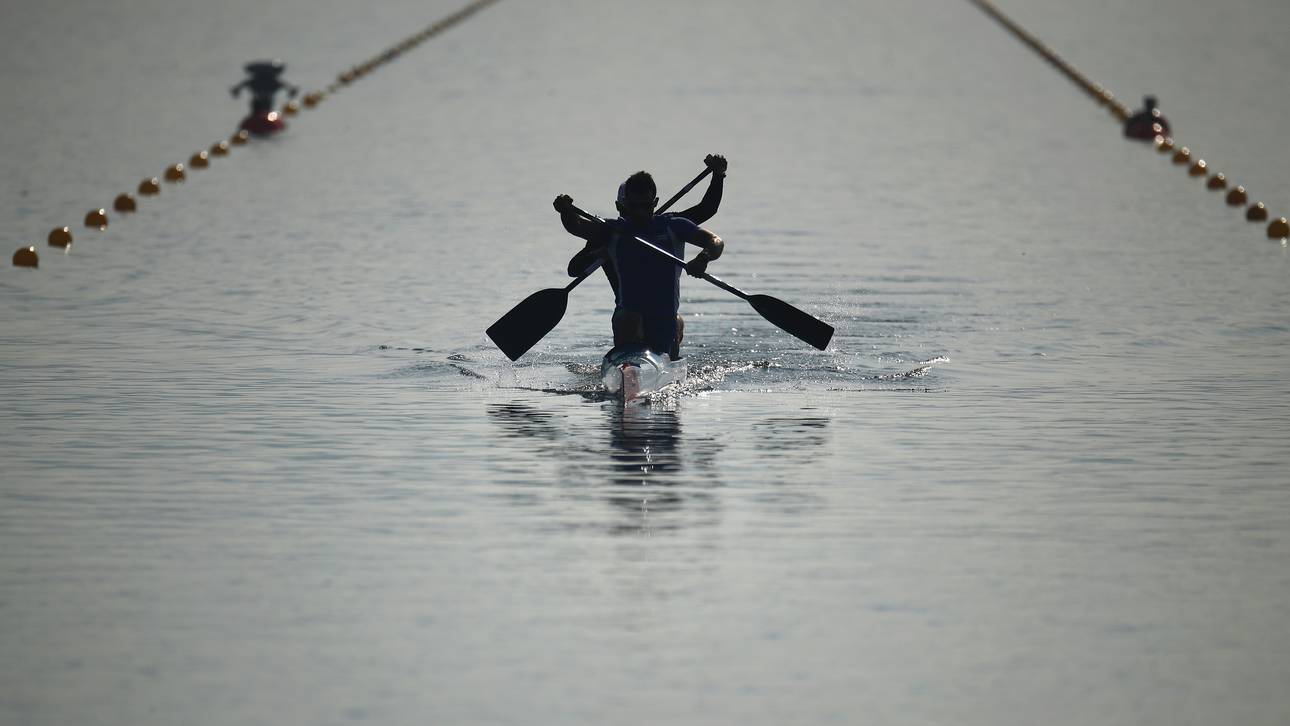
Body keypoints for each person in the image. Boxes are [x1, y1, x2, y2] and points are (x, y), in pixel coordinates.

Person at [553, 170, 725, 359]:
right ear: (624, 204)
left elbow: (715, 241)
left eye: (645, 206)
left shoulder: (673, 225)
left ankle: (667, 357)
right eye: (634, 207)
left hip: (665, 317)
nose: (640, 212)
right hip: (629, 316)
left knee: (671, 328)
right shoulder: (612, 231)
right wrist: (566, 211)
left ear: (655, 203)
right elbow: (576, 225)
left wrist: (703, 258)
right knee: (628, 319)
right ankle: (627, 365)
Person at [230, 60, 299, 116]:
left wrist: (236, 90)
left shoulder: (267, 82)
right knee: (262, 109)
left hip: (263, 104)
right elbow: (287, 87)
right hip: (260, 104)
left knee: (264, 109)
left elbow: (241, 86)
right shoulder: (273, 82)